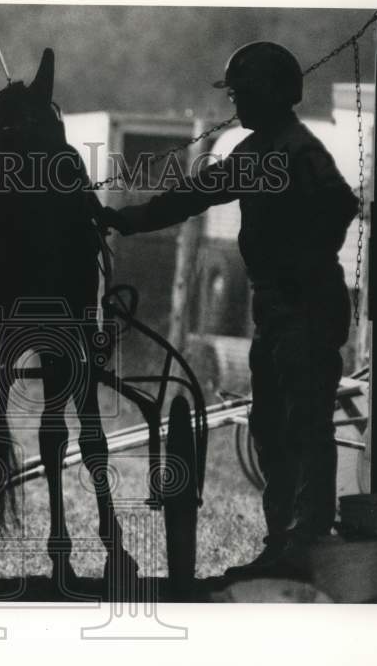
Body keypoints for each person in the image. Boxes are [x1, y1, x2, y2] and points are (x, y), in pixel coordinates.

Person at [102, 42, 358, 575]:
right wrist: (125, 219)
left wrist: (298, 258)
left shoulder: (294, 151)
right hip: (281, 307)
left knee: (303, 423)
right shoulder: (258, 149)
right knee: (269, 423)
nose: (236, 102)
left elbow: (341, 206)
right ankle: (282, 541)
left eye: (242, 92)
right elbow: (196, 194)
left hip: (304, 305)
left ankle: (305, 542)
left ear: (269, 93)